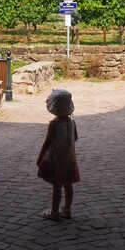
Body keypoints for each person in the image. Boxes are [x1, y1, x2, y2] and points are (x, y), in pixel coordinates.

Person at [36, 88, 80, 221]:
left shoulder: (54, 123)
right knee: (68, 185)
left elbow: (47, 142)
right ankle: (67, 209)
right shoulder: (72, 122)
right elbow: (75, 138)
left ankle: (54, 212)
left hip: (56, 160)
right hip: (69, 159)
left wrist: (40, 158)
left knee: (56, 186)